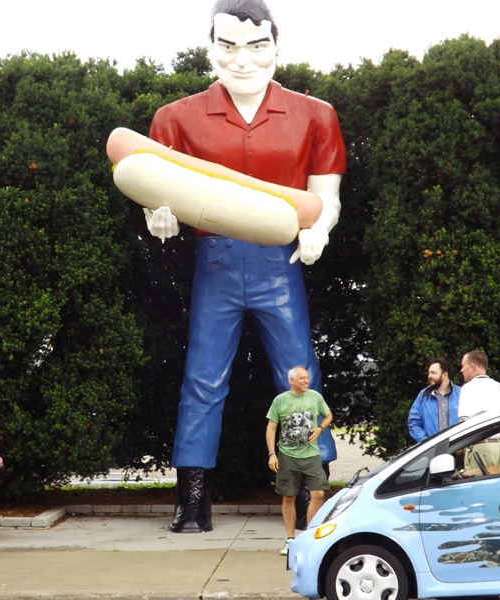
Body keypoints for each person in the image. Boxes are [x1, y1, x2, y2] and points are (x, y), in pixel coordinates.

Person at [145, 0, 346, 533]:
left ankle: (313, 486)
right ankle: (192, 497)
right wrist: (157, 217)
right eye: (228, 45)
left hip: (280, 258)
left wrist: (319, 230)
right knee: (203, 376)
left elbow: (326, 195)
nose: (242, 59)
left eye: (257, 46)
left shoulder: (314, 115)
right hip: (216, 258)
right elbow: (156, 189)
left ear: (276, 46)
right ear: (211, 48)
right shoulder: (174, 118)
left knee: (299, 374)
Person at [266, 366, 332, 556]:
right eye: (302, 378)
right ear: (291, 380)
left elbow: (328, 415)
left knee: (318, 493)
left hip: (311, 455)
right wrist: (272, 454)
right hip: (287, 456)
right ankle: (290, 539)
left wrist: (320, 428)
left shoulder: (315, 397)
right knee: (288, 497)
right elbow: (271, 428)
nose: (306, 381)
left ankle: (310, 537)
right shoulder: (280, 400)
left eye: (307, 378)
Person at [459, 350, 500, 469]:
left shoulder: (468, 388)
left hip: (483, 447)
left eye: (463, 366)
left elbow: (464, 423)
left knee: (478, 480)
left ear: (472, 366)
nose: (461, 370)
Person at [407, 358, 461, 443]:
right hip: (433, 449)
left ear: (444, 375)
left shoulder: (461, 394)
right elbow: (413, 422)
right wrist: (426, 443)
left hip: (458, 447)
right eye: (429, 373)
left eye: (433, 373)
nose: (429, 376)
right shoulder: (423, 395)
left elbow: (470, 420)